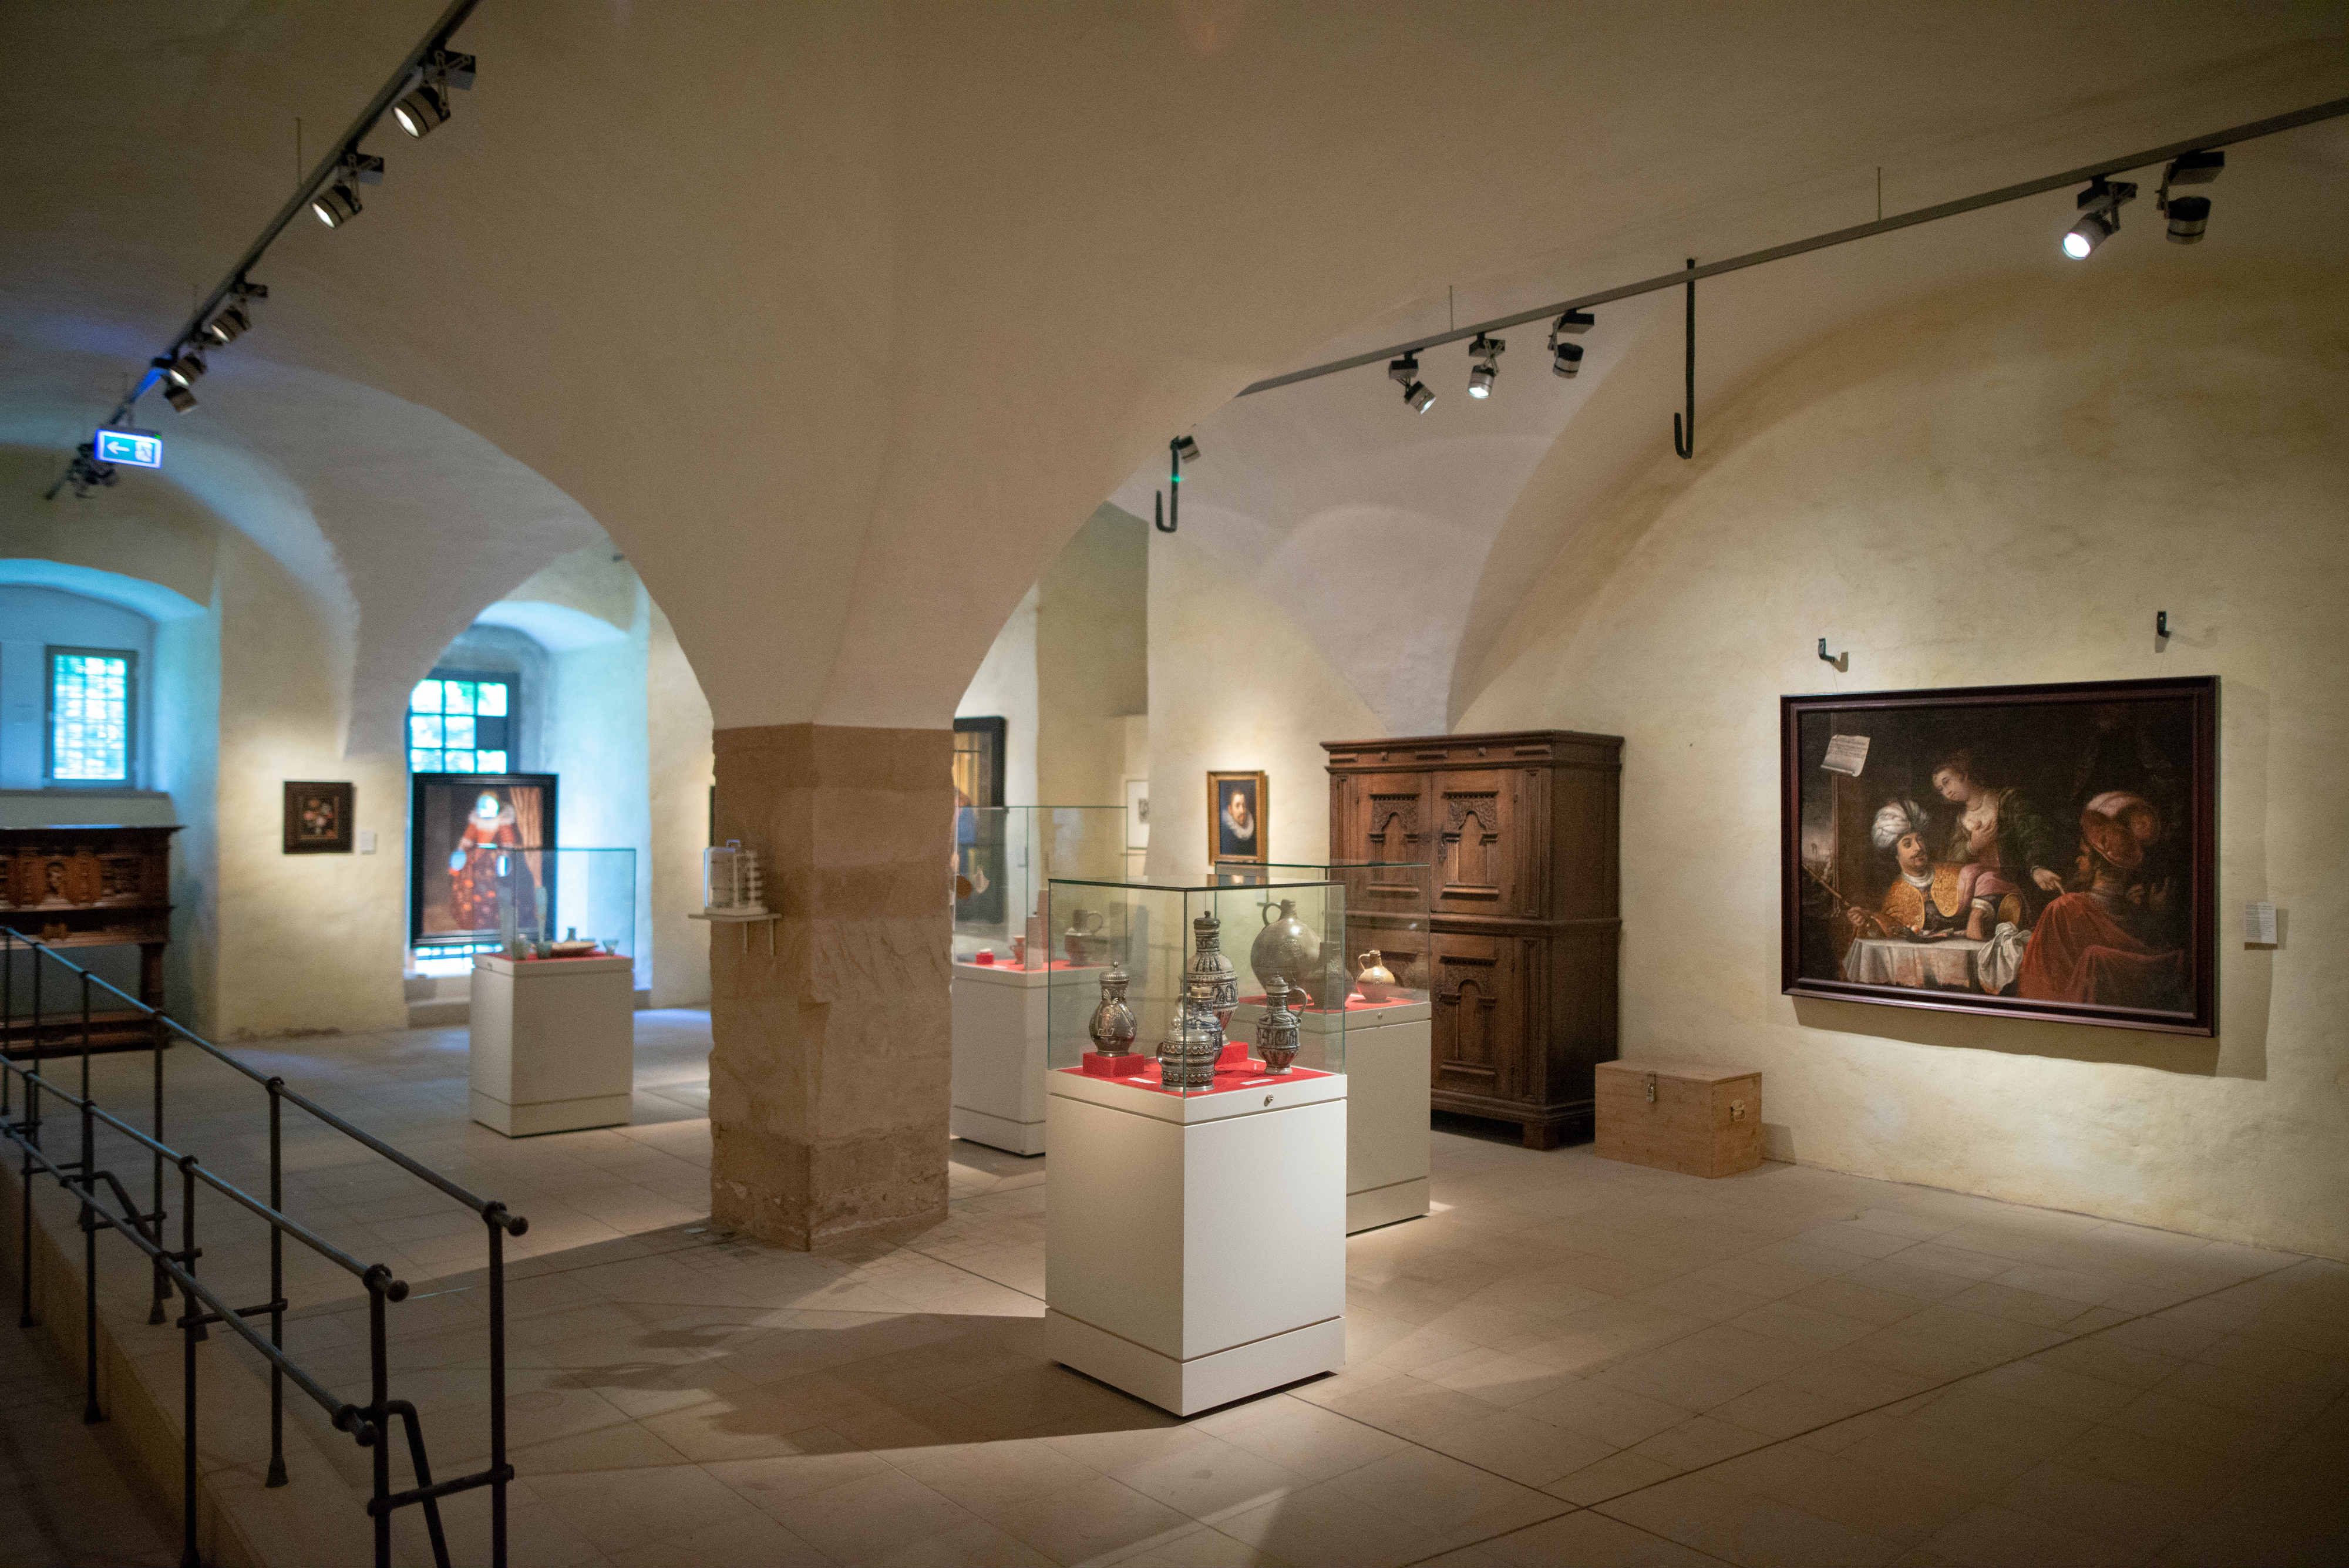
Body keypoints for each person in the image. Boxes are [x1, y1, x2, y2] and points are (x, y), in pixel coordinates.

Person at [2015, 792, 2185, 1011]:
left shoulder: (2065, 908)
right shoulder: (2135, 912)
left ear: (2098, 865)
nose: (2077, 860)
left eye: (2083, 854)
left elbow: (2039, 983)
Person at [1849, 799, 2025, 943]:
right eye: (1908, 844)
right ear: (1896, 856)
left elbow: (1987, 876)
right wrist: (1869, 920)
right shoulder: (1896, 894)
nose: (1918, 848)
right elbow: (1894, 927)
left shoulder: (1949, 871)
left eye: (1919, 840)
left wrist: (1979, 911)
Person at [1930, 750, 2063, 920]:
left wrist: (2038, 867)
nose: (1946, 792)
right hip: (1976, 891)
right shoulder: (1960, 820)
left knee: (1988, 879)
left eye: (1947, 782)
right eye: (1941, 789)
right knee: (1976, 875)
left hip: (2017, 883)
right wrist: (1973, 846)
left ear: (1964, 775)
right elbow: (1952, 862)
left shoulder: (2008, 801)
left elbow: (2032, 834)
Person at [448, 790, 521, 930]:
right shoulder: (476, 822)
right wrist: (460, 853)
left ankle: (492, 921)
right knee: (468, 884)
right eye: (483, 805)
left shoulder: (502, 822)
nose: (485, 808)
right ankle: (469, 920)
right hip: (475, 859)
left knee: (492, 888)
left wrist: (504, 857)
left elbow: (508, 842)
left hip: (493, 860)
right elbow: (467, 839)